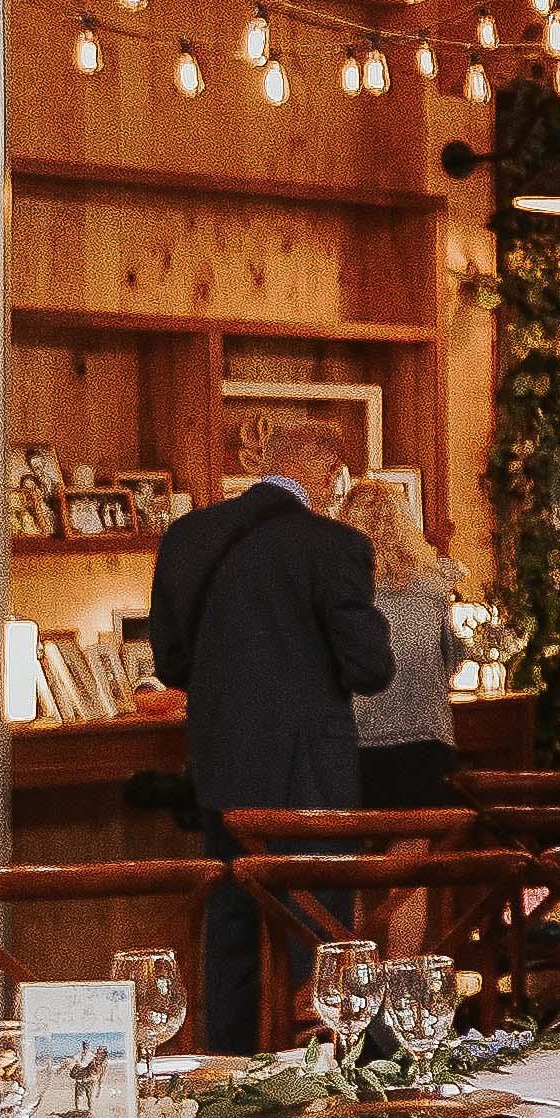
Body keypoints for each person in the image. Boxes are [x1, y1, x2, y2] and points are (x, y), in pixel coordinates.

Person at [147, 420, 393, 1047]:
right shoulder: (333, 545)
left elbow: (170, 662)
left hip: (220, 763)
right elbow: (371, 669)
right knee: (320, 928)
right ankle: (328, 1069)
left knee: (232, 921)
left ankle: (229, 1066)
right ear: (329, 475)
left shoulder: (188, 536)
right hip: (309, 771)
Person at [344, 478, 470, 812]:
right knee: (424, 829)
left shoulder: (340, 593)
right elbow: (451, 660)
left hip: (357, 741)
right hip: (426, 738)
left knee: (356, 829)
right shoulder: (433, 589)